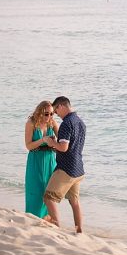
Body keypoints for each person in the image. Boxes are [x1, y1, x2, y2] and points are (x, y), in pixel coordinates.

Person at [42, 96, 87, 232]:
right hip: (79, 169)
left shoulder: (67, 123)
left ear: (61, 106)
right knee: (74, 202)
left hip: (66, 168)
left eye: (56, 111)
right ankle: (79, 231)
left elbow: (63, 148)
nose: (56, 114)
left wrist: (51, 143)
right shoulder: (80, 122)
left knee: (48, 198)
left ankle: (56, 228)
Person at [23, 100, 58, 220]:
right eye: (46, 114)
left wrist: (54, 143)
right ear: (39, 112)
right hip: (35, 161)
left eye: (52, 114)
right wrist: (43, 140)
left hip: (49, 161)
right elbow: (28, 146)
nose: (49, 117)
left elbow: (62, 140)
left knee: (48, 192)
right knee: (35, 192)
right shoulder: (31, 123)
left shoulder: (52, 123)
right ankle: (33, 218)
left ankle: (48, 219)